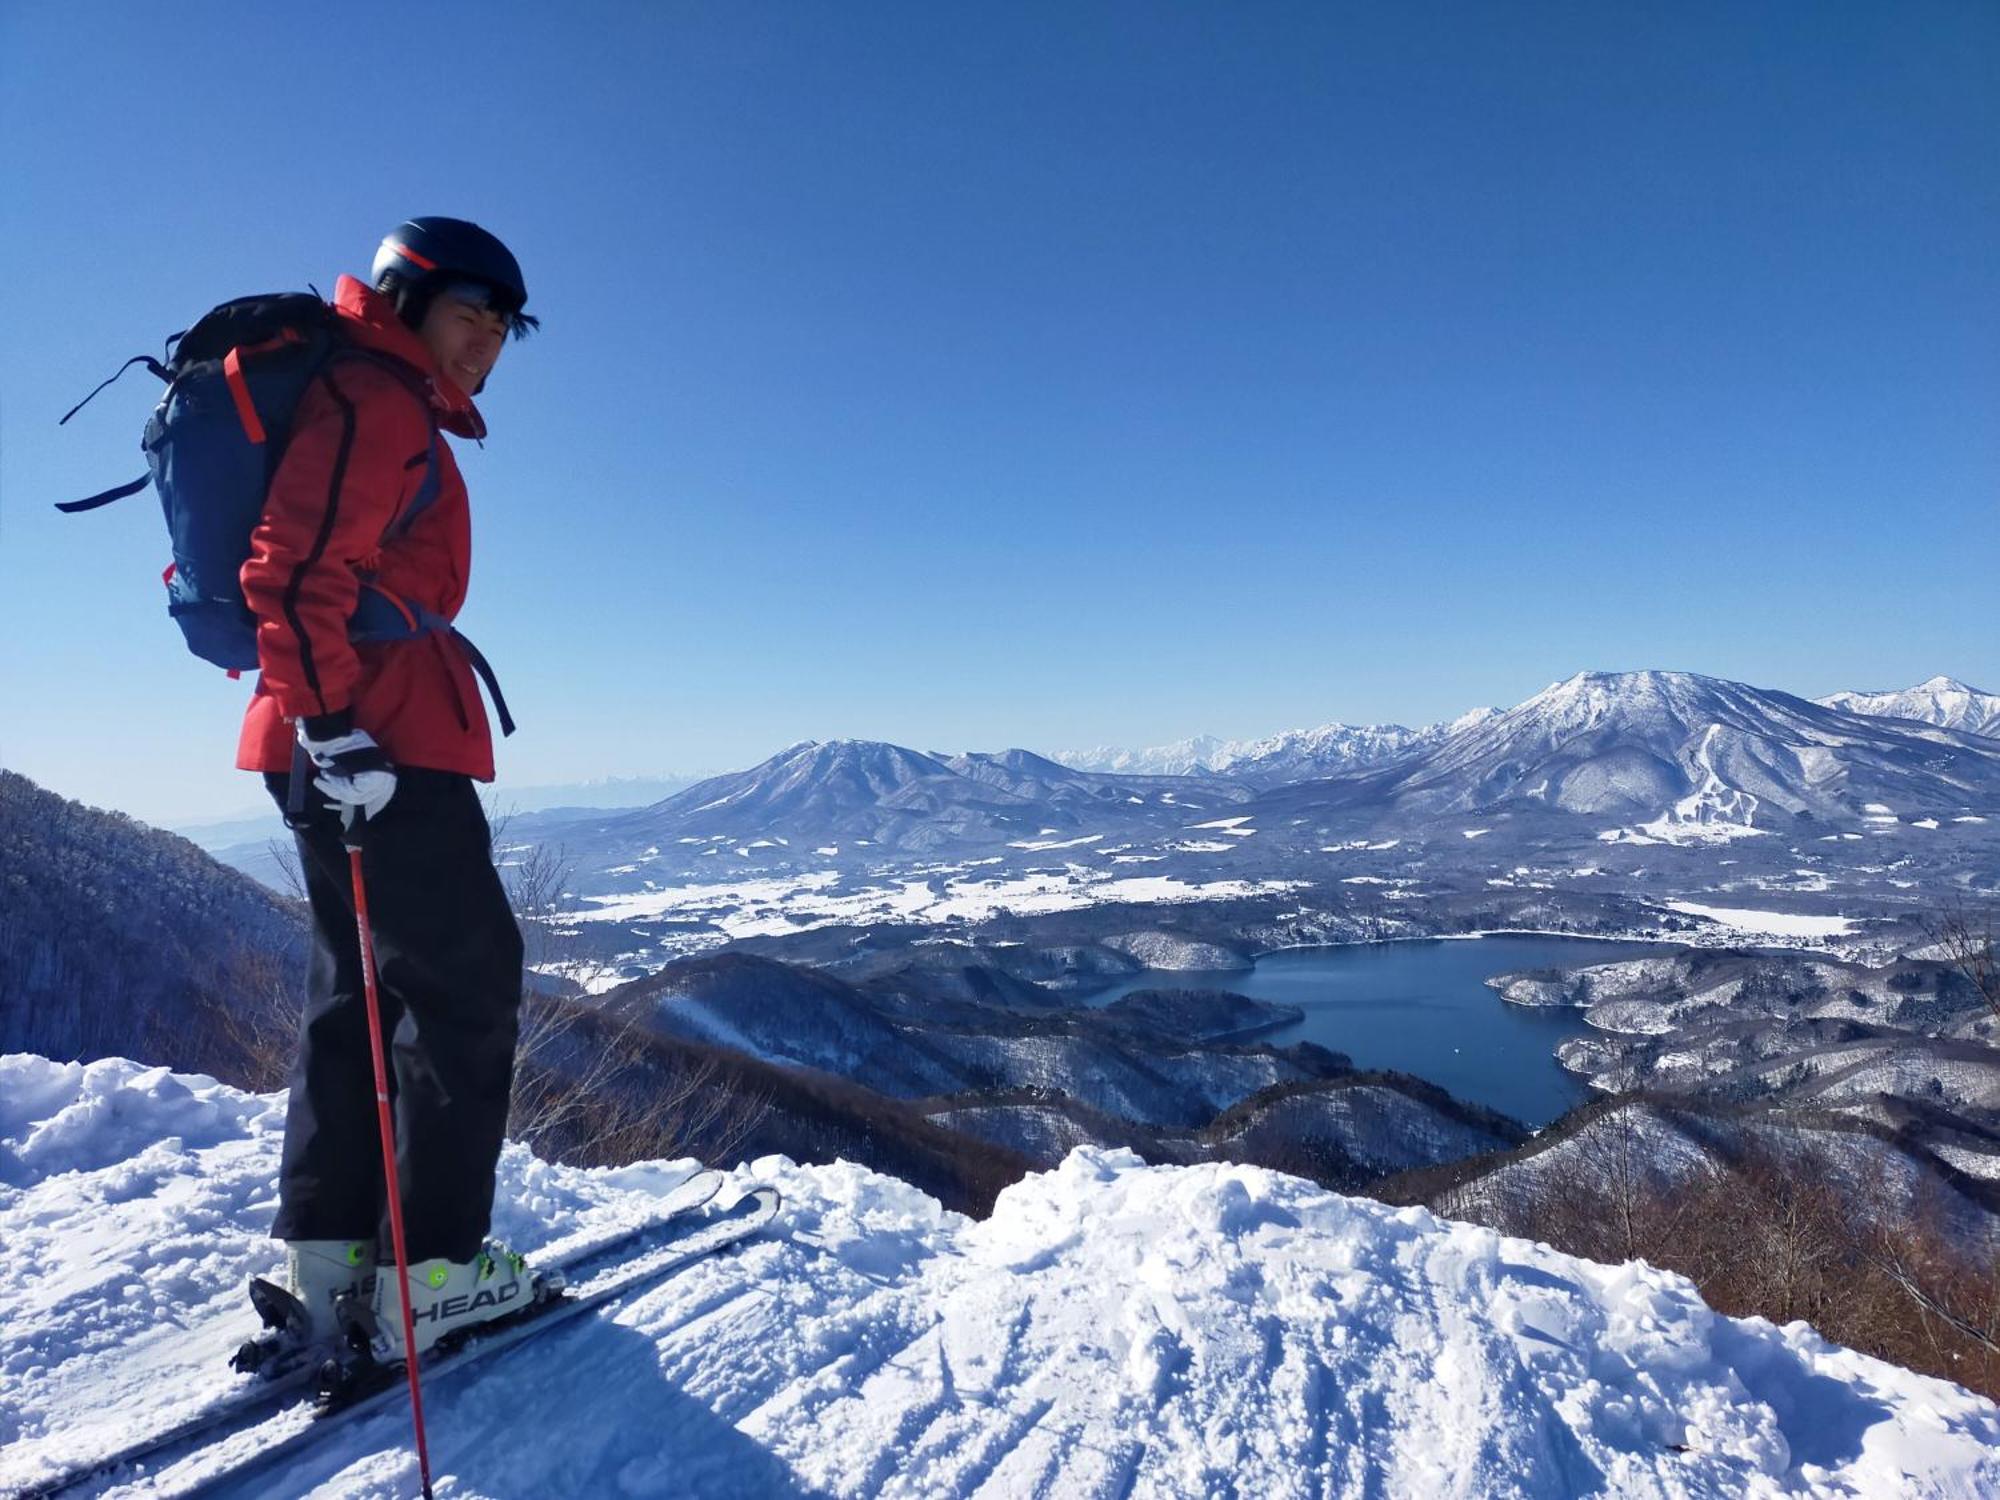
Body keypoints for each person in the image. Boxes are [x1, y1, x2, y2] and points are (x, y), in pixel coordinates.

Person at [237, 217, 538, 1361]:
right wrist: (334, 728)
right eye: (471, 313)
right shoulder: (378, 402)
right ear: (407, 299)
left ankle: (333, 1258)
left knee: (355, 993)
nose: (489, 344)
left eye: (505, 327)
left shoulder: (367, 397)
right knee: (464, 990)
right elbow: (293, 566)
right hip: (376, 739)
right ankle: (437, 1274)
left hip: (340, 735)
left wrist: (317, 729)